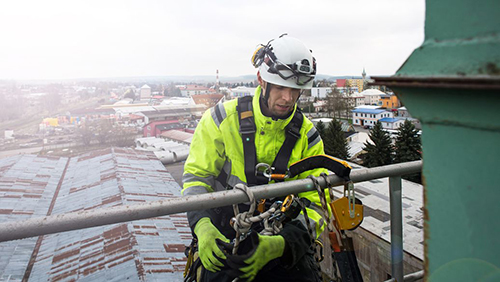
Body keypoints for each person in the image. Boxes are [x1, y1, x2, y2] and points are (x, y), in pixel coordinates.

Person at [182, 34, 328, 282]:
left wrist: (281, 245)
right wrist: (203, 227)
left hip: (284, 237)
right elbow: (197, 178)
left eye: (295, 90)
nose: (288, 99)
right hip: (225, 234)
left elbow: (316, 203)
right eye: (281, 87)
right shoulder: (220, 120)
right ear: (261, 80)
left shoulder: (308, 137)